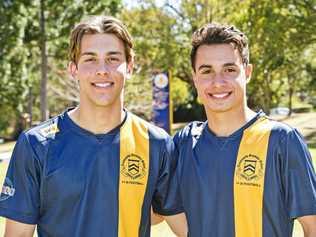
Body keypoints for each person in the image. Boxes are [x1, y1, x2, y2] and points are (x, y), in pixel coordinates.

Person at [0, 15, 186, 237]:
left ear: (130, 67)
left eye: (112, 58)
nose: (102, 70)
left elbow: (183, 225)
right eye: (90, 59)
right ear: (73, 69)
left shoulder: (156, 143)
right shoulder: (36, 144)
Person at [171, 23, 316, 236]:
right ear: (195, 78)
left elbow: (312, 225)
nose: (218, 82)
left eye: (229, 70)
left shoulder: (281, 141)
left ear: (247, 72)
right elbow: (155, 210)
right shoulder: (184, 143)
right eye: (207, 70)